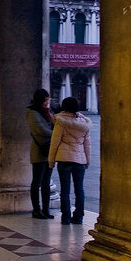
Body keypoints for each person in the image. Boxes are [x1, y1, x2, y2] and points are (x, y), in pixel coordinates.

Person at [48, 96, 92, 226]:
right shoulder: (84, 123)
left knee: (65, 190)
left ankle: (66, 217)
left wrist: (51, 161)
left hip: (64, 159)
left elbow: (54, 143)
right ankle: (78, 217)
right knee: (80, 189)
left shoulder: (61, 121)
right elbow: (87, 145)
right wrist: (87, 161)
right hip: (80, 161)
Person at [26, 88, 54, 220]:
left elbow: (54, 124)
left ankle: (46, 209)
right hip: (39, 149)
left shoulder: (47, 112)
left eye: (48, 100)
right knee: (37, 181)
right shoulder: (31, 112)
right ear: (40, 100)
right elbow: (40, 129)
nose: (47, 103)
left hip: (49, 150)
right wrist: (56, 134)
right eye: (45, 100)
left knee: (46, 182)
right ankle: (36, 210)